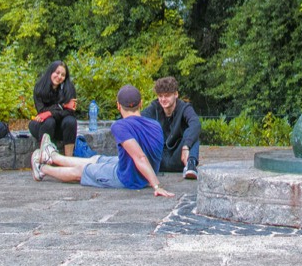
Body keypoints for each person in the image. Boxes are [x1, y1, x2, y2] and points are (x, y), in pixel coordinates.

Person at [31, 84, 173, 197]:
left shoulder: (120, 126)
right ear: (141, 104)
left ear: (118, 106)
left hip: (129, 179)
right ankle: (53, 156)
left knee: (82, 171)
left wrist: (156, 185)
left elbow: (140, 157)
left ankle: (42, 168)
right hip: (134, 170)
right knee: (96, 160)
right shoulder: (155, 124)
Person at [141, 76, 202, 179]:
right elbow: (139, 119)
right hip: (159, 158)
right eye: (160, 96)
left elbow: (195, 123)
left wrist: (186, 145)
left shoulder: (184, 108)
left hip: (180, 157)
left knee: (193, 134)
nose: (163, 99)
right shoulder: (154, 107)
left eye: (167, 96)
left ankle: (190, 164)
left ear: (176, 94)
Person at [28, 60, 78, 157]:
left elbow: (71, 111)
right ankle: (44, 156)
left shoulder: (69, 88)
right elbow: (42, 112)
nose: (59, 77)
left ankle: (69, 158)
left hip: (61, 127)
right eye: (57, 73)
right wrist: (61, 106)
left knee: (71, 121)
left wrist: (50, 112)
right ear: (51, 71)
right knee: (49, 121)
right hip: (43, 125)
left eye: (63, 75)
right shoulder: (40, 87)